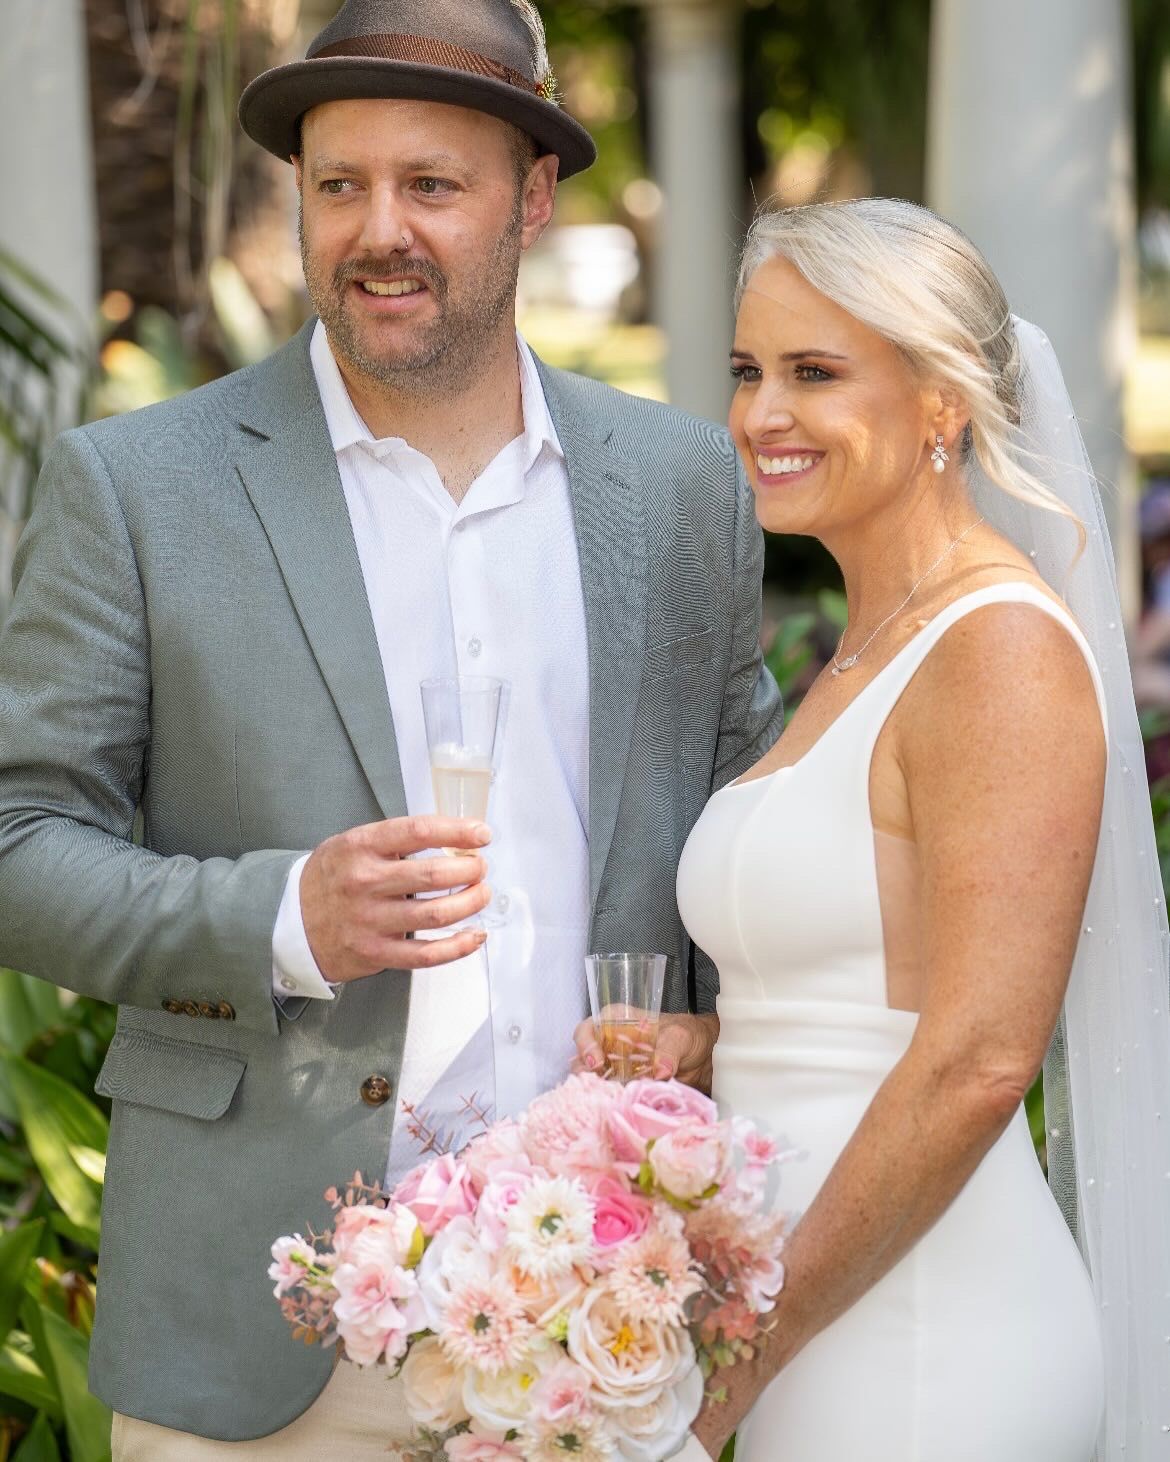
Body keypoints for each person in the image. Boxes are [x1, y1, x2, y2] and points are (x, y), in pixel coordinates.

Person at [0, 1, 783, 1455]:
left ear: (532, 197)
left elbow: (753, 839)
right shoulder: (137, 487)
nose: (378, 232)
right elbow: (18, 845)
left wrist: (718, 1026)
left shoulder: (684, 488)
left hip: (602, 1307)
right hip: (266, 1331)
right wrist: (281, 915)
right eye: (339, 185)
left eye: (431, 184)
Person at [579, 198, 1170, 1461]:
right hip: (807, 1312)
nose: (761, 414)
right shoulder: (868, 650)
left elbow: (979, 1060)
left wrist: (749, 1347)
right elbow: (873, 994)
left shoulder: (997, 649)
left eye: (814, 372)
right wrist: (708, 1042)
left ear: (944, 402)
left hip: (924, 1335)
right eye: (748, 370)